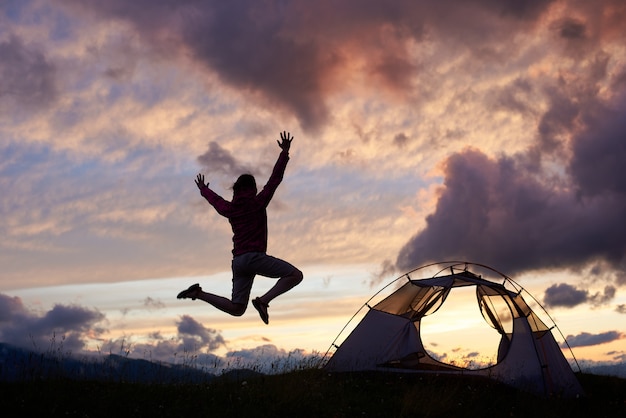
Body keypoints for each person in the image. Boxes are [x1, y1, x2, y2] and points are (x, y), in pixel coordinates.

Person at [177, 131, 303, 324]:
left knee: (237, 309)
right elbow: (274, 179)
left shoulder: (230, 208)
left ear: (236, 190)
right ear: (253, 188)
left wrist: (204, 189)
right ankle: (263, 301)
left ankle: (198, 294)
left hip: (239, 262)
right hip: (255, 257)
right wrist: (284, 152)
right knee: (295, 275)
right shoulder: (258, 202)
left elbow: (216, 201)